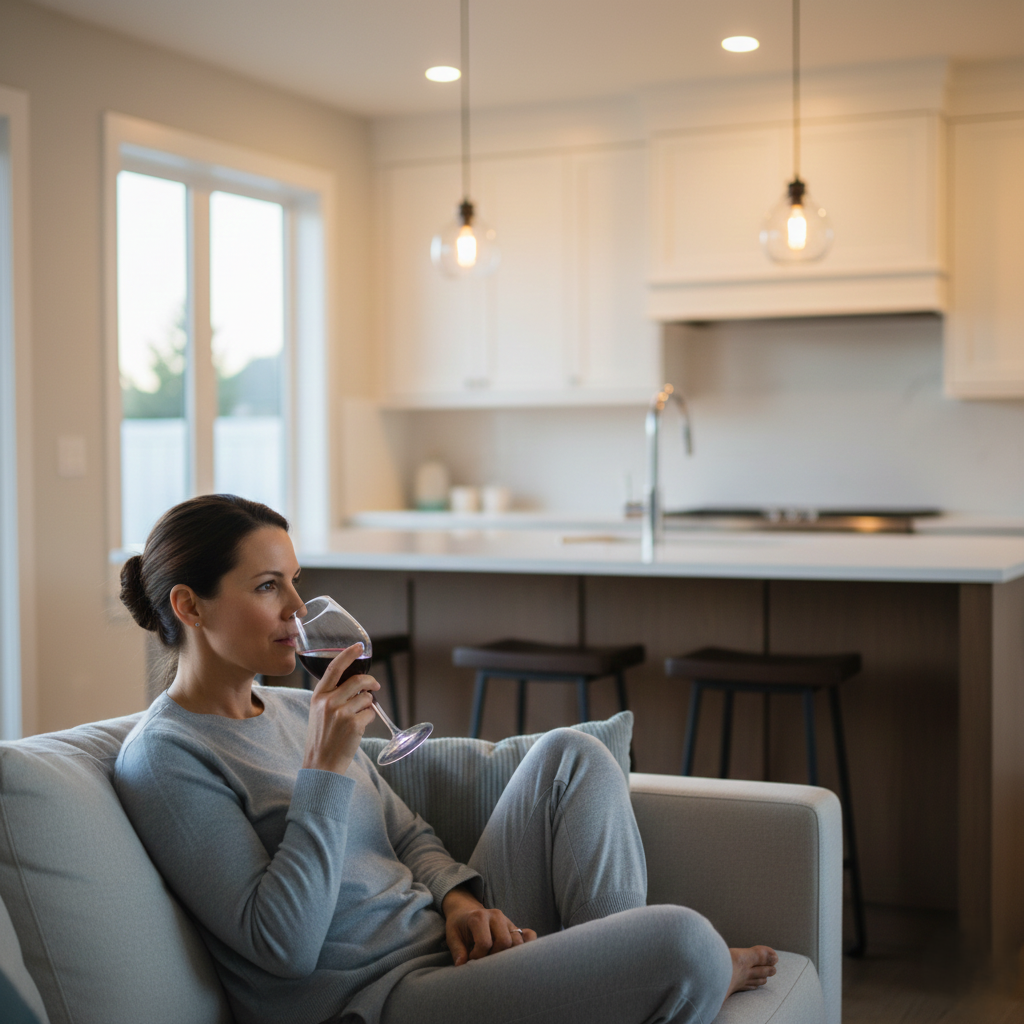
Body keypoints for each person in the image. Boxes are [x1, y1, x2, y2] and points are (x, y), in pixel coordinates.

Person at [114, 494, 777, 1024]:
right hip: (380, 997)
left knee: (570, 757)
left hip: (449, 945)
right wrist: (320, 773)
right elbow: (281, 948)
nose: (296, 609)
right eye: (267, 587)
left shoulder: (292, 710)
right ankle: (655, 982)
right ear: (188, 605)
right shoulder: (166, 758)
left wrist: (458, 901)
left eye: (295, 582)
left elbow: (406, 833)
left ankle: (611, 981)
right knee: (687, 945)